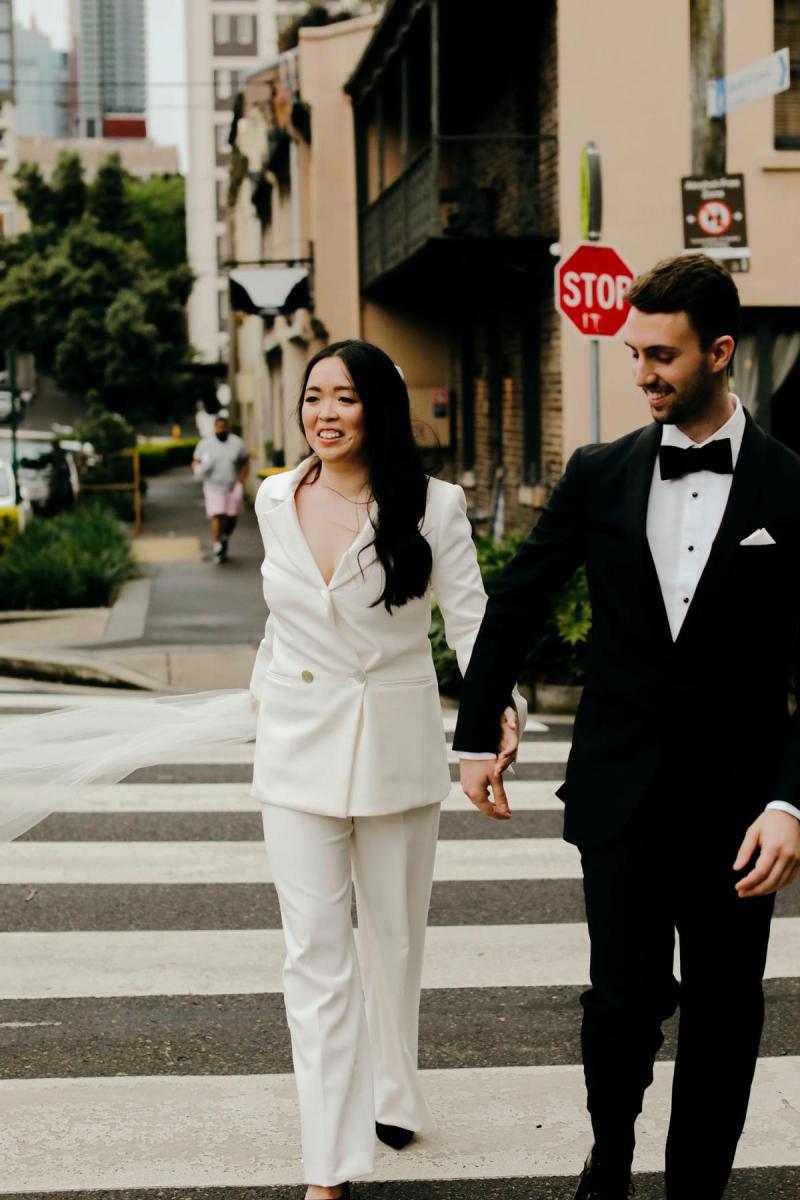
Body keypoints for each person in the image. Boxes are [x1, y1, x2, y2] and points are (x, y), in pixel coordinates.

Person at [453, 254, 800, 1200]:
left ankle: (697, 1191)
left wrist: (791, 799)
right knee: (621, 1006)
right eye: (633, 352)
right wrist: (477, 728)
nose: (642, 371)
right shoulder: (600, 473)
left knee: (727, 1018)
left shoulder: (792, 489)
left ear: (720, 352)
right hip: (622, 796)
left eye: (662, 354)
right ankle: (609, 1159)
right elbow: (517, 604)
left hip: (741, 814)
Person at [248, 339, 523, 1199]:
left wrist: (492, 717)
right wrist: (261, 697)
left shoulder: (433, 506)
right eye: (314, 396)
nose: (325, 413)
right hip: (294, 746)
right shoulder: (271, 497)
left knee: (395, 942)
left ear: (378, 410)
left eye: (346, 398)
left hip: (396, 746)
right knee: (315, 958)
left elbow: (472, 623)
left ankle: (394, 1089)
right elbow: (280, 621)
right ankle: (328, 1168)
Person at [192, 412, 249, 562]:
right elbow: (195, 461)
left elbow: (244, 462)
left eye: (224, 426)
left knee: (231, 517)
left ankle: (224, 537)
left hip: (232, 485)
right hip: (212, 486)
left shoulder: (237, 443)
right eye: (219, 427)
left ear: (228, 427)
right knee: (217, 515)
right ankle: (217, 546)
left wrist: (241, 481)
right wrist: (199, 468)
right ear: (214, 428)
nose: (221, 429)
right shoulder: (205, 444)